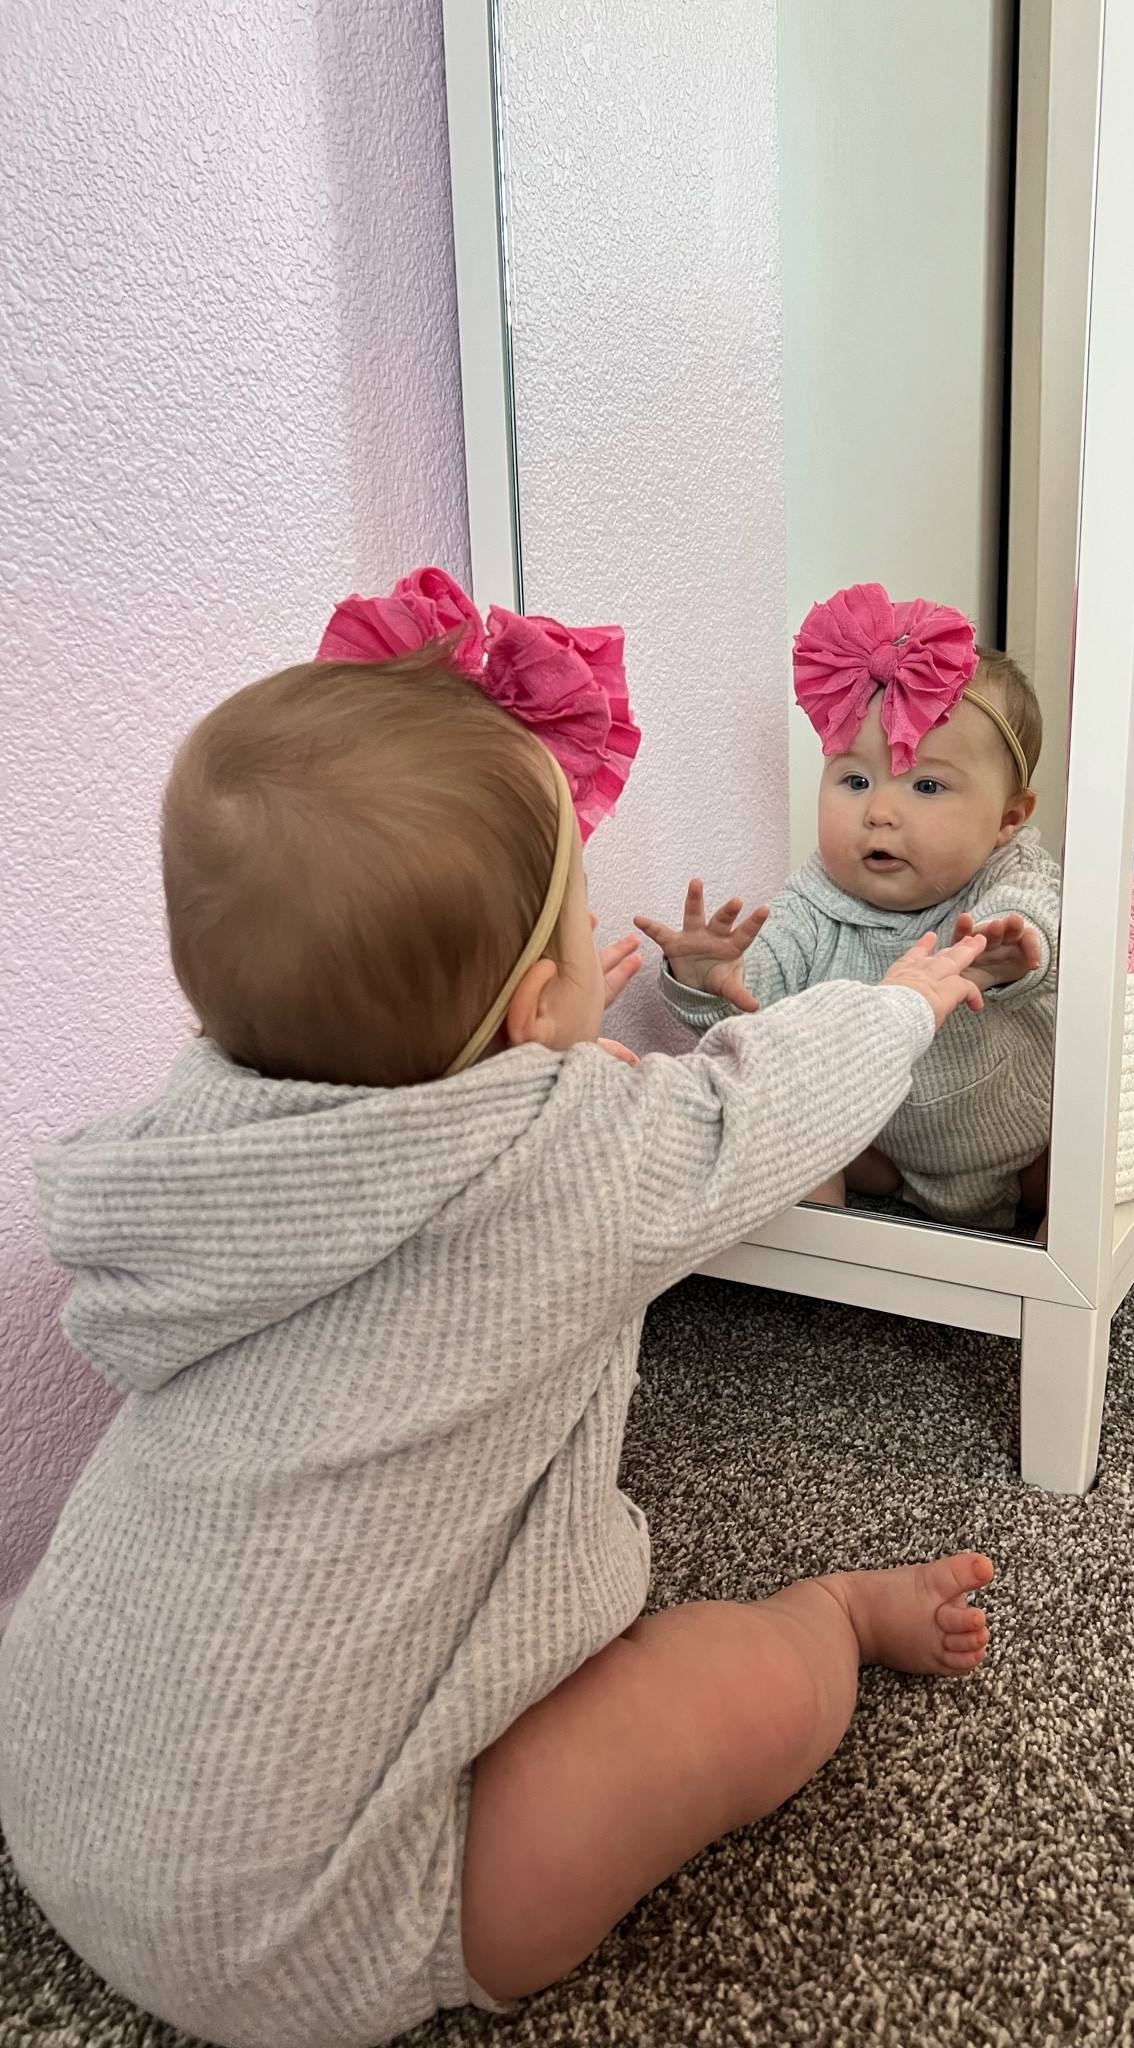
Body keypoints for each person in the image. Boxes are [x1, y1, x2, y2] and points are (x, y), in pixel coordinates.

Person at [0, 569, 994, 2048]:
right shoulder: (574, 1162)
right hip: (307, 1923)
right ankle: (836, 1622)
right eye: (578, 913)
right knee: (729, 1698)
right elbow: (755, 1113)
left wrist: (522, 1040)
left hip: (56, 1785)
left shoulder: (195, 1154)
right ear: (533, 1011)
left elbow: (416, 1126)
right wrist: (901, 1003)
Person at [639, 583, 1061, 1232]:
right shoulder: (819, 897)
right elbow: (763, 997)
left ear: (1007, 818)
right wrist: (711, 979)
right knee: (793, 1119)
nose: (880, 812)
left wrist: (1011, 950)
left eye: (926, 785)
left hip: (1020, 1138)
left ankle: (1046, 1256)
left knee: (1087, 1155)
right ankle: (822, 1274)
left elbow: (1033, 914)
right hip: (888, 1150)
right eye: (855, 779)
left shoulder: (1007, 874)